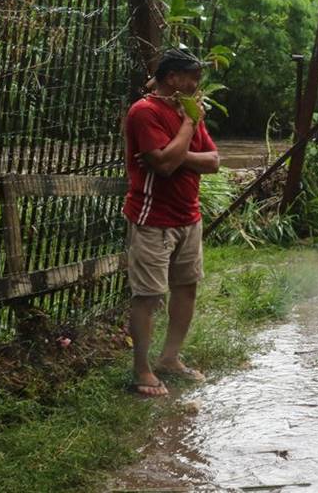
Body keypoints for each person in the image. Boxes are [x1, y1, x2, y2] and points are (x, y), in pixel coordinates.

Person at [123, 48, 220, 397]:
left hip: (188, 216)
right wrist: (189, 125)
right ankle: (141, 370)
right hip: (154, 219)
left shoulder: (188, 111)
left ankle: (169, 358)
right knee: (148, 295)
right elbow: (161, 165)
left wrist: (179, 153)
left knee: (187, 287)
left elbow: (213, 162)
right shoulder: (144, 112)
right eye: (192, 77)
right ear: (171, 78)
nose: (197, 84)